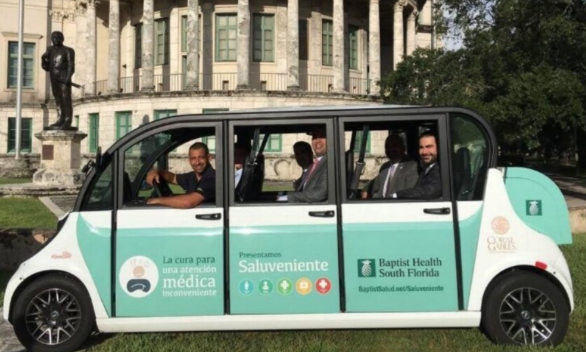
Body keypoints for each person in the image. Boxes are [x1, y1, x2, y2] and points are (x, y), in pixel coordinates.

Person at [146, 142, 215, 208]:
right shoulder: (191, 177)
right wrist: (157, 172)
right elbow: (172, 177)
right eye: (193, 158)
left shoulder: (213, 178)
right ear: (189, 160)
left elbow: (187, 202)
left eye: (201, 157)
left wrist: (158, 200)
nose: (197, 162)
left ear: (209, 157)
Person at [279, 127, 328, 203]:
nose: (318, 140)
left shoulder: (330, 162)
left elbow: (320, 193)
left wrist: (288, 197)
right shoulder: (316, 164)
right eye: (314, 136)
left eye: (322, 136)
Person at [362, 134, 418, 199]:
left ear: (403, 148)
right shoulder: (385, 167)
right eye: (388, 146)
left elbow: (409, 194)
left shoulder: (411, 166)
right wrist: (365, 189)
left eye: (395, 146)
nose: (391, 149)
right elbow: (374, 183)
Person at [391, 130, 442, 200]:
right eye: (421, 147)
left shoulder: (441, 169)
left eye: (429, 147)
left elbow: (429, 191)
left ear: (438, 148)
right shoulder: (425, 170)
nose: (424, 152)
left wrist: (396, 195)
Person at [41, 31, 75, 130]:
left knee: (66, 99)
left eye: (58, 38)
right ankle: (60, 119)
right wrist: (43, 59)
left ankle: (67, 121)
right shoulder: (50, 50)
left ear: (62, 39)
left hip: (64, 77)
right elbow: (46, 67)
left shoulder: (68, 50)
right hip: (53, 77)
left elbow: (71, 66)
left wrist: (68, 77)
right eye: (54, 38)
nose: (56, 40)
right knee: (58, 98)